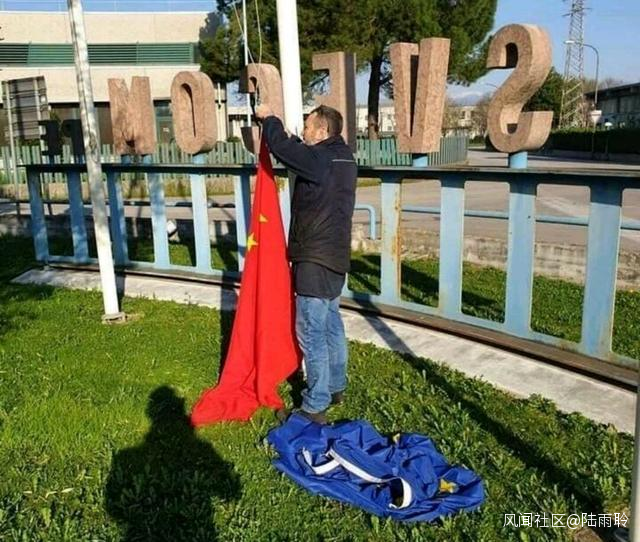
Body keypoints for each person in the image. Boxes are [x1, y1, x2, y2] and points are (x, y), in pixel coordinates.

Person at [255, 104, 357, 424]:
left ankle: (315, 405)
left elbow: (282, 148)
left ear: (323, 131)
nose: (305, 131)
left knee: (312, 332)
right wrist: (293, 139)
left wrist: (269, 118)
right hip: (336, 257)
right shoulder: (344, 157)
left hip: (314, 258)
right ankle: (336, 387)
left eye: (309, 127)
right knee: (331, 324)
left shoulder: (319, 160)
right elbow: (300, 151)